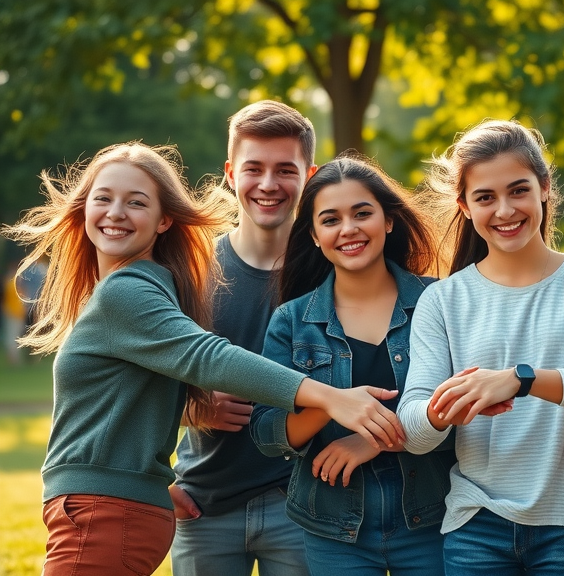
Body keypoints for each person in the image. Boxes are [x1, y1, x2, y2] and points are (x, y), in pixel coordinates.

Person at [3, 142, 402, 576]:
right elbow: (127, 400)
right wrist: (151, 482)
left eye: (136, 202)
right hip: (110, 507)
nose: (115, 212)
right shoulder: (133, 288)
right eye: (103, 198)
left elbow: (207, 356)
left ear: (164, 219)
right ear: (83, 208)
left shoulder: (128, 291)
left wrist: (330, 398)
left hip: (99, 514)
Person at [395, 119, 564, 575]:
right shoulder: (443, 300)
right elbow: (413, 430)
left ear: (545, 188)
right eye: (485, 197)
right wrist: (444, 408)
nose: (505, 210)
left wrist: (518, 380)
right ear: (465, 207)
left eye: (518, 190)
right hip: (476, 526)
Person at [250, 155, 457, 576]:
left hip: (431, 516)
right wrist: (331, 403)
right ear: (313, 234)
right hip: (332, 527)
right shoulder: (291, 321)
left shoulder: (439, 302)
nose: (349, 229)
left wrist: (373, 440)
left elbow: (461, 414)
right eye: (330, 219)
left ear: (389, 221)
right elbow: (268, 434)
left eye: (362, 213)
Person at [170, 99, 317, 576]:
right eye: (254, 168)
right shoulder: (189, 272)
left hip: (302, 506)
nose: (269, 184)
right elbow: (135, 376)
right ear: (231, 173)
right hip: (203, 504)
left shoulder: (331, 273)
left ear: (309, 176)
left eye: (285, 170)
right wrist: (189, 406)